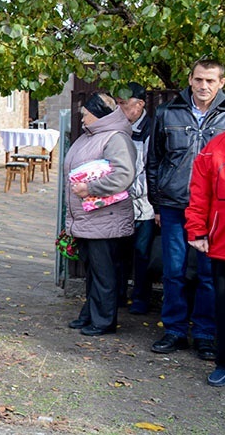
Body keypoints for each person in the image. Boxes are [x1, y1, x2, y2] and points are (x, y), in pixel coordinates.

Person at [146, 58, 225, 359]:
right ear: (190, 80)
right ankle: (175, 330)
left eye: (210, 80)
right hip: (174, 204)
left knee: (208, 274)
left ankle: (205, 334)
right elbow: (154, 161)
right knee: (174, 271)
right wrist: (156, 203)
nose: (204, 86)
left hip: (215, 211)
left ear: (221, 83)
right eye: (199, 79)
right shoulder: (168, 112)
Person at [65, 92, 136, 336]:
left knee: (105, 273)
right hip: (89, 219)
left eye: (85, 114)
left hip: (106, 219)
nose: (82, 118)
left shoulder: (116, 138)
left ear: (98, 114)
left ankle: (104, 321)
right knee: (94, 273)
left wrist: (90, 188)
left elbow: (123, 175)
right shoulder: (91, 135)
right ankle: (90, 315)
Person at [184, 129, 225, 386]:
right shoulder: (215, 148)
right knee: (224, 308)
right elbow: (199, 193)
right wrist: (197, 229)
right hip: (223, 243)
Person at [115, 83, 156, 314]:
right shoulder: (117, 128)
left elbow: (151, 168)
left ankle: (141, 299)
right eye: (118, 103)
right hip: (119, 203)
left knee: (142, 255)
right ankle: (118, 296)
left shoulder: (151, 130)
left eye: (124, 104)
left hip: (144, 205)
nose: (119, 108)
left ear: (139, 104)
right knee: (119, 253)